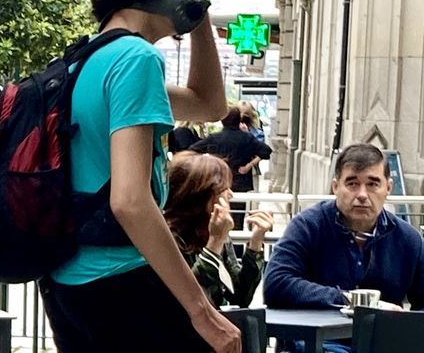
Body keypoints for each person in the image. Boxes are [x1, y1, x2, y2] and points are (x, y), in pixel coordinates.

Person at [40, 0, 241, 353]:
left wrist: (199, 14)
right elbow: (130, 200)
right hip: (120, 282)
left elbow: (209, 104)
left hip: (69, 284)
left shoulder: (87, 60)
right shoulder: (136, 60)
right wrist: (201, 311)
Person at [263, 144, 424, 352]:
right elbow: (276, 283)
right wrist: (352, 301)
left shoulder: (408, 239)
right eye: (352, 183)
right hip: (316, 345)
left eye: (373, 184)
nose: (362, 194)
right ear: (335, 186)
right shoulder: (308, 226)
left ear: (388, 188)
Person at [164, 152, 272, 307]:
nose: (231, 195)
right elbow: (191, 300)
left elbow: (239, 297)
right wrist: (214, 244)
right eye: (224, 188)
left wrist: (255, 243)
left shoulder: (214, 231)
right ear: (202, 196)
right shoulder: (170, 237)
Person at [191, 109, 273, 228]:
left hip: (219, 182)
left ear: (223, 120)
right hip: (241, 181)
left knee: (217, 216)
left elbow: (193, 148)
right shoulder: (247, 138)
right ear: (238, 120)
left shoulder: (215, 138)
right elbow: (266, 151)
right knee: (237, 219)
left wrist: (210, 163)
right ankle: (237, 246)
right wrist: (248, 166)